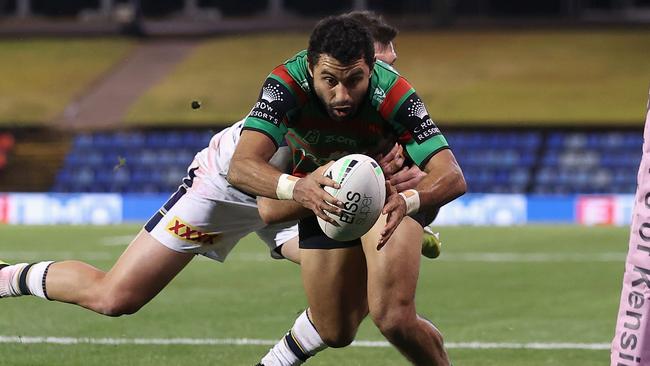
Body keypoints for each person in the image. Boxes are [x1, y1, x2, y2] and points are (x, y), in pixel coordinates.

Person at [0, 12, 436, 319]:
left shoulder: (379, 106)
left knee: (348, 299)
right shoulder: (295, 93)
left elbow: (435, 172)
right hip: (231, 189)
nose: (387, 77)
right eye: (379, 66)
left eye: (389, 69)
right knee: (115, 298)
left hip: (299, 198)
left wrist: (402, 203)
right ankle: (8, 277)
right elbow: (250, 179)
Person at [227, 15, 466, 366]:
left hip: (388, 200)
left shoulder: (396, 92)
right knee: (335, 330)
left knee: (393, 318)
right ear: (310, 69)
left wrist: (409, 199)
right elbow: (241, 167)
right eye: (329, 80)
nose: (342, 95)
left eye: (355, 80)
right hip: (324, 200)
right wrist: (301, 188)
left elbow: (452, 175)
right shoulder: (284, 85)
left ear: (371, 69)